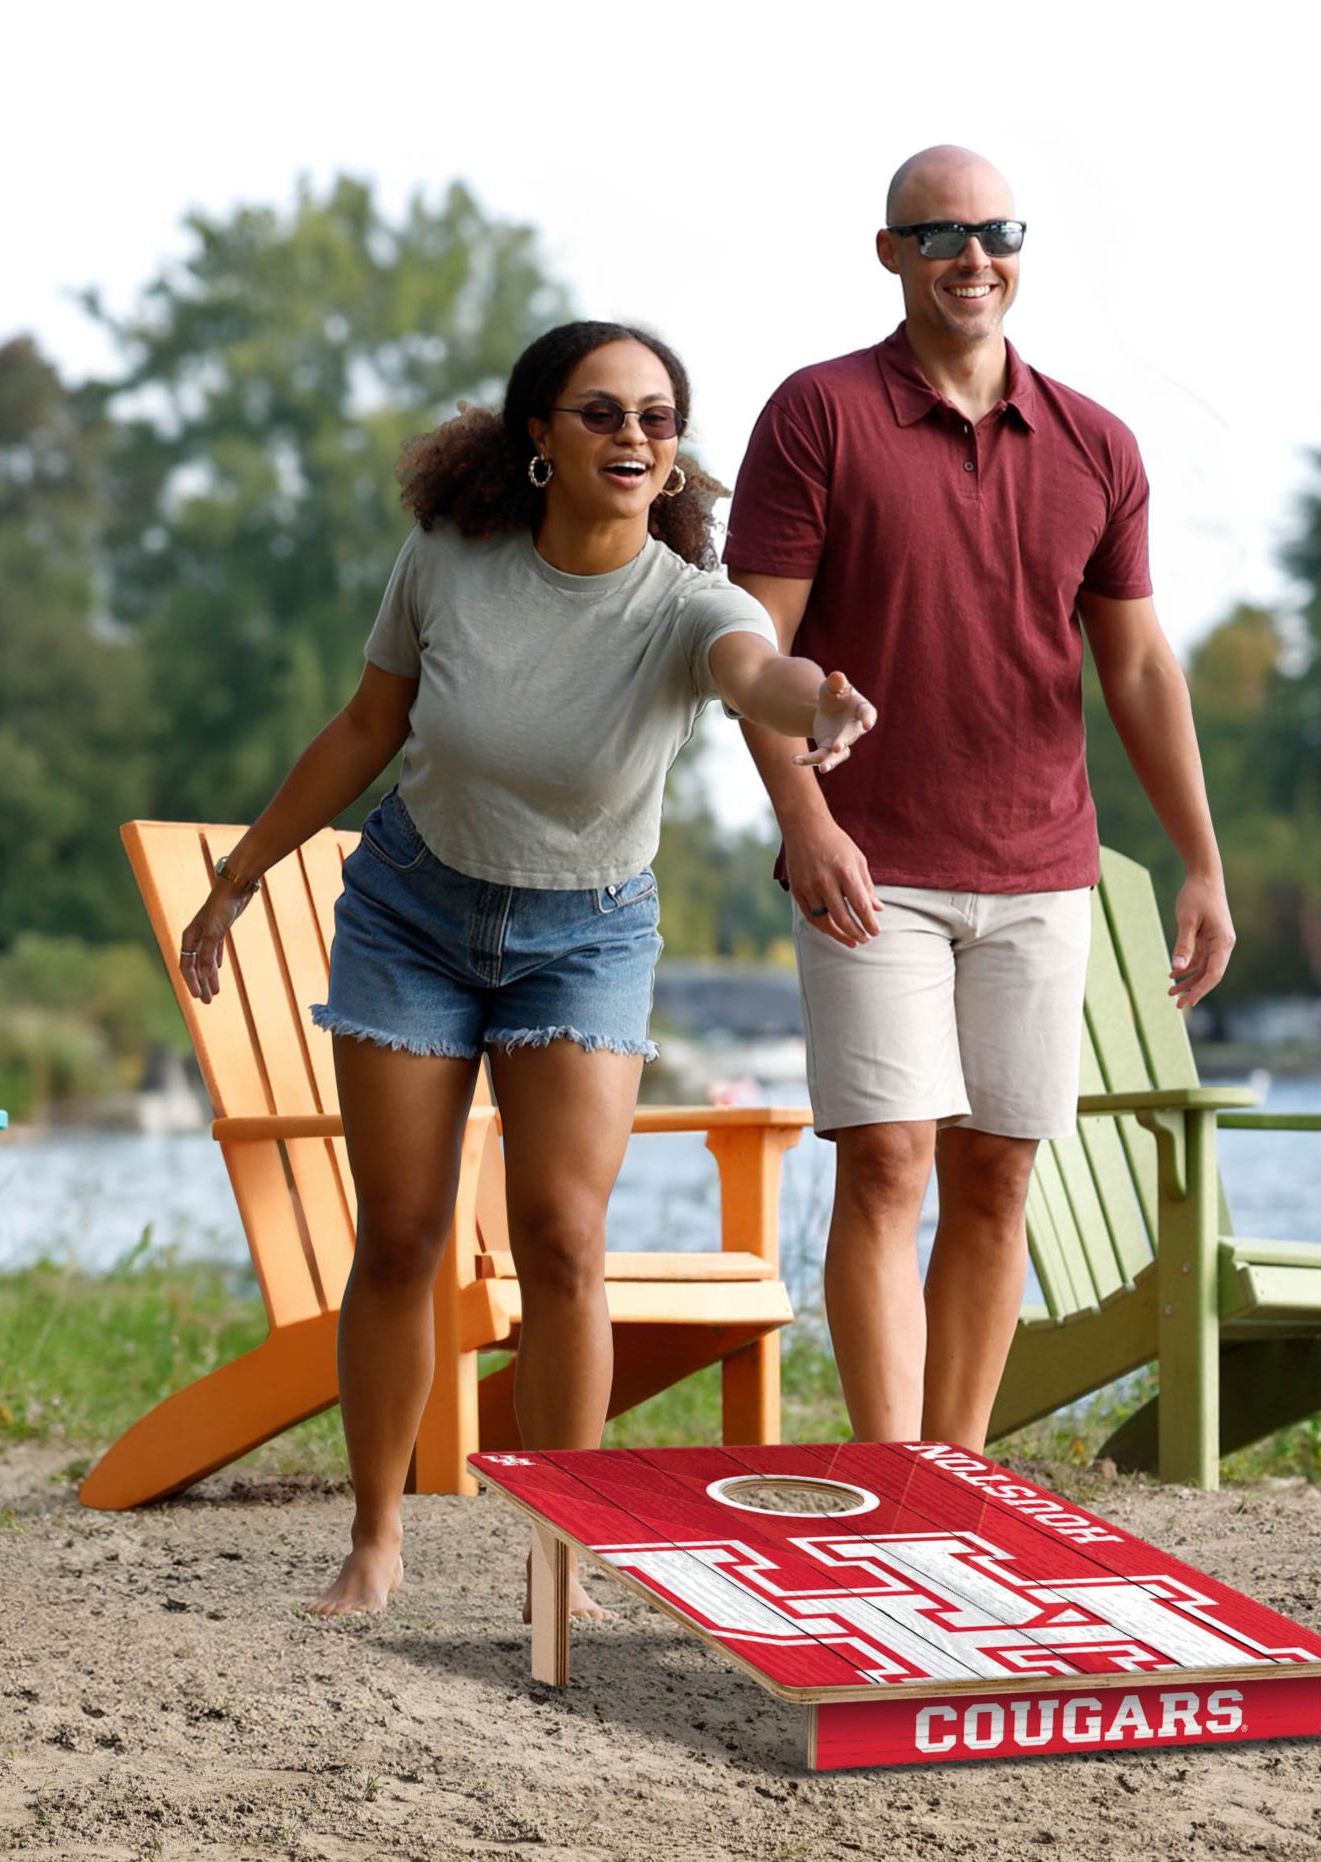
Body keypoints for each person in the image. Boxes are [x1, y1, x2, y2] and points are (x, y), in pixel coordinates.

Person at [177, 320, 876, 1617]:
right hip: (412, 916)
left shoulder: (689, 602)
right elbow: (367, 727)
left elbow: (755, 675)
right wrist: (243, 876)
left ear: (674, 459)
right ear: (540, 440)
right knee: (401, 1234)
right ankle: (376, 1539)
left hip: (587, 935)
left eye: (657, 420)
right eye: (602, 413)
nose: (632, 438)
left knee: (564, 1240)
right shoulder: (449, 561)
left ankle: (564, 1553)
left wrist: (816, 707)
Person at [723, 145, 1233, 1452]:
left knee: (997, 1174)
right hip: (870, 863)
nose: (971, 256)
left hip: (1041, 868)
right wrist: (806, 821)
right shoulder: (816, 415)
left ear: (1020, 248)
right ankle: (892, 1478)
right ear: (889, 254)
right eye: (939, 235)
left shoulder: (1096, 444)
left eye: (994, 231)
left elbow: (1136, 665)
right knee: (888, 1162)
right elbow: (747, 654)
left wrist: (1200, 863)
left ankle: (952, 1471)